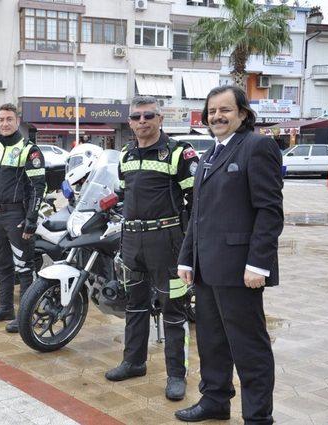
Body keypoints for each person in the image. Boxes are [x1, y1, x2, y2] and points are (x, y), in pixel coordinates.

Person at [175, 85, 283, 424]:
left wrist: (258, 264)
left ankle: (257, 417)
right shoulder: (209, 155)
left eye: (225, 110)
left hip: (241, 272)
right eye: (212, 111)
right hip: (207, 268)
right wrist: (186, 258)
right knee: (212, 341)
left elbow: (269, 211)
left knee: (248, 348)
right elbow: (198, 213)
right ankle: (215, 400)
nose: (217, 116)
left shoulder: (257, 146)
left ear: (242, 113)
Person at [105, 96, 198, 402]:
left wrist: (189, 243)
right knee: (134, 304)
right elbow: (124, 193)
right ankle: (133, 362)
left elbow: (196, 201)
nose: (142, 121)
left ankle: (176, 376)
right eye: (136, 117)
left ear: (160, 119)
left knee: (173, 310)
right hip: (132, 241)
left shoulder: (178, 153)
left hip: (167, 242)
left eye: (148, 116)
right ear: (129, 122)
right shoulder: (126, 153)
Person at [0, 103, 47, 333]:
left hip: (18, 215)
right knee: (2, 264)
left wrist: (31, 219)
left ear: (17, 121)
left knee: (24, 267)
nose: (5, 123)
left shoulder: (30, 150)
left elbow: (39, 187)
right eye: (1, 120)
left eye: (9, 119)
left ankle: (25, 315)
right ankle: (5, 307)